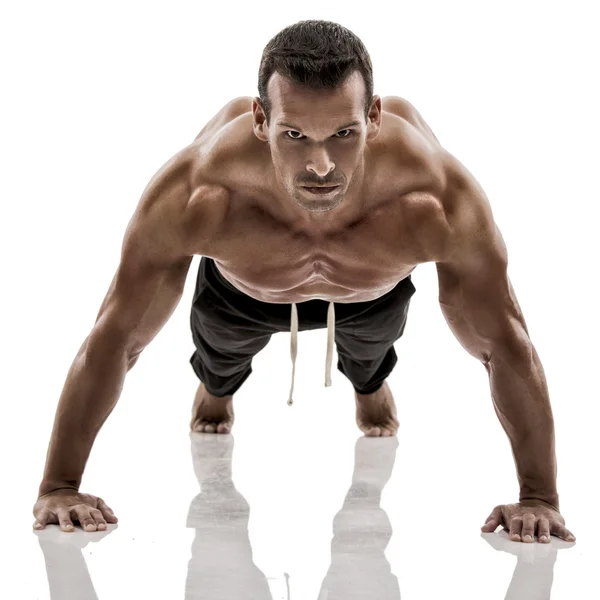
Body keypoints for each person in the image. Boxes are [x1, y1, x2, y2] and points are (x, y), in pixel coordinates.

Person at [32, 20, 576, 544]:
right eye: (295, 134)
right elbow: (117, 336)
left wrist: (539, 498)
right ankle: (219, 389)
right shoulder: (201, 194)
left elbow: (502, 342)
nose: (320, 165)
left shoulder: (432, 199)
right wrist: (60, 486)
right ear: (261, 120)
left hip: (372, 293)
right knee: (220, 359)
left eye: (343, 133)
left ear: (375, 117)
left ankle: (367, 384)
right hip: (242, 293)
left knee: (371, 352)